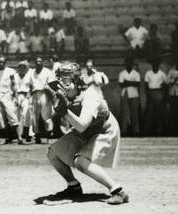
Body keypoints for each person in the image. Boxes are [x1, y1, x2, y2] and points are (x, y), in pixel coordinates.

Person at [46, 62, 128, 205]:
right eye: (59, 78)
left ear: (76, 80)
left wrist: (64, 110)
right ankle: (74, 187)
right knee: (53, 152)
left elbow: (82, 125)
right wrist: (47, 99)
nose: (61, 83)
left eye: (66, 78)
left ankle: (118, 191)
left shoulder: (91, 94)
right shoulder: (65, 93)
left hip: (104, 129)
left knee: (81, 161)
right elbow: (46, 116)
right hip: (85, 129)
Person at [0, 56, 21, 144]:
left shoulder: (10, 71)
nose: (1, 63)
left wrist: (16, 96)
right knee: (0, 117)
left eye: (3, 62)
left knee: (12, 115)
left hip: (7, 94)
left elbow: (14, 84)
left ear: (5, 62)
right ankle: (5, 138)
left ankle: (19, 137)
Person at [29, 57, 56, 143]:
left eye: (40, 62)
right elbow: (30, 85)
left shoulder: (47, 72)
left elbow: (51, 85)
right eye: (36, 62)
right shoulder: (31, 72)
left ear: (42, 63)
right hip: (34, 94)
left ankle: (49, 136)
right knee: (34, 116)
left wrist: (50, 97)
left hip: (44, 94)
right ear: (35, 63)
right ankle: (37, 137)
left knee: (46, 115)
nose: (38, 63)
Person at [117, 57, 141, 136]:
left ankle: (136, 131)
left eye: (130, 63)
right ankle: (124, 130)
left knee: (135, 113)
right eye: (127, 63)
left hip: (134, 94)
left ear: (132, 64)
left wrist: (127, 82)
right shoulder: (122, 73)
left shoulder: (136, 73)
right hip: (125, 93)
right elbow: (121, 84)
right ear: (125, 65)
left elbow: (137, 84)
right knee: (124, 112)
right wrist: (132, 82)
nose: (129, 65)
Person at [144, 59, 166, 135]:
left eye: (156, 65)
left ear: (158, 65)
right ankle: (147, 130)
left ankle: (159, 129)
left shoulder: (162, 74)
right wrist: (148, 95)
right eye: (154, 65)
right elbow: (146, 85)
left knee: (159, 112)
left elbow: (165, 85)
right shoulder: (148, 73)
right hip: (151, 92)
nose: (155, 66)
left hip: (159, 92)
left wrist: (162, 94)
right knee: (149, 112)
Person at [15, 60, 32, 143]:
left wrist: (29, 94)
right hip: (17, 96)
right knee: (18, 117)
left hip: (26, 96)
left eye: (23, 67)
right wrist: (15, 97)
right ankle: (19, 137)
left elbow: (32, 86)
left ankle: (27, 135)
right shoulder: (14, 76)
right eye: (20, 67)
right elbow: (12, 87)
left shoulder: (29, 76)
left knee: (26, 115)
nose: (22, 69)